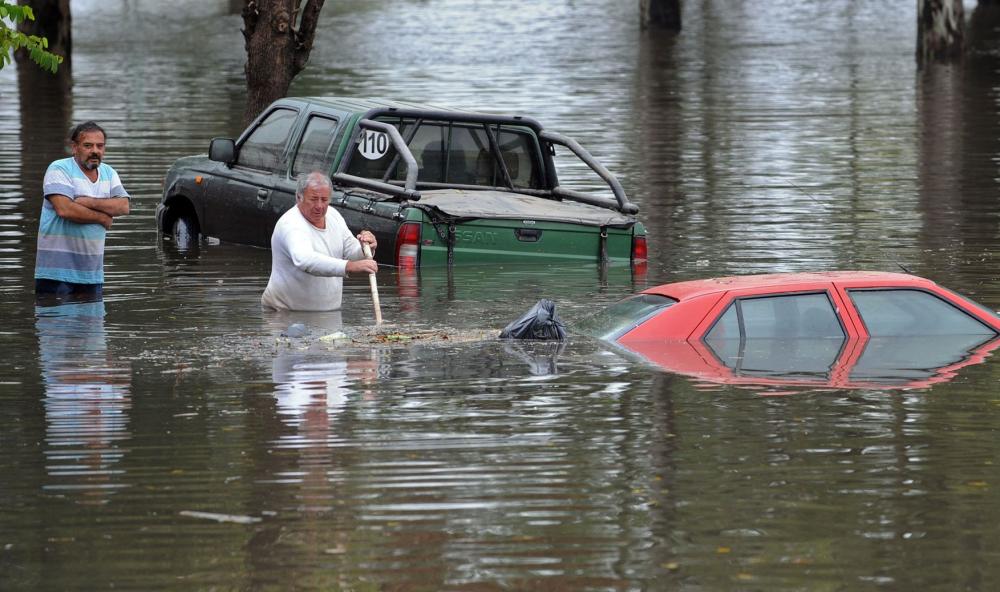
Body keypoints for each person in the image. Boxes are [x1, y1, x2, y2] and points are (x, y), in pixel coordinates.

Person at [35, 121, 130, 300]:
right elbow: (65, 209)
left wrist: (88, 201)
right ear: (75, 148)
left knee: (92, 327)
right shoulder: (59, 168)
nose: (95, 150)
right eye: (88, 145)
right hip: (55, 273)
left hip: (91, 273)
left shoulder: (109, 173)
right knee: (56, 325)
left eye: (99, 146)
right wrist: (103, 218)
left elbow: (123, 206)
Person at [261, 171, 378, 311]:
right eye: (314, 199)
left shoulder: (333, 215)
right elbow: (305, 260)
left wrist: (366, 248)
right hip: (285, 313)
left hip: (328, 315)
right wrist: (350, 266)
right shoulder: (291, 224)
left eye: (324, 200)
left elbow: (352, 252)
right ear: (299, 198)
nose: (319, 206)